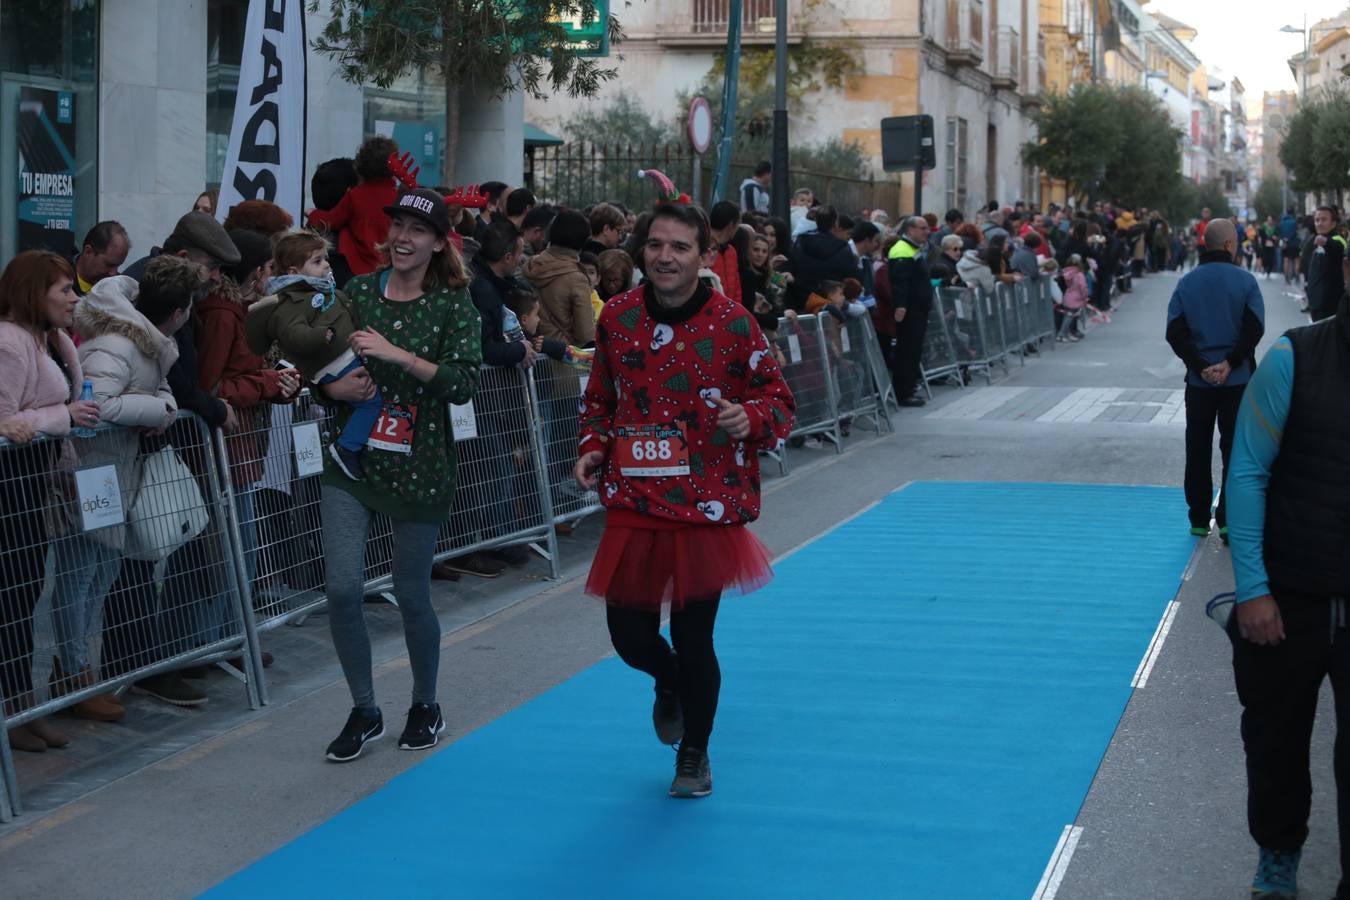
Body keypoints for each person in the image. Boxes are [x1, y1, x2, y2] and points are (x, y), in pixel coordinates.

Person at [574, 201, 794, 799]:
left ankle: (694, 753)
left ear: (702, 257)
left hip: (706, 504)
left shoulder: (735, 323)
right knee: (630, 637)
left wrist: (749, 418)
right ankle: (666, 680)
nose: (665, 257)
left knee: (696, 636)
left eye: (680, 247)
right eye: (656, 245)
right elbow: (599, 398)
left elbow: (780, 402)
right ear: (642, 250)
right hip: (636, 502)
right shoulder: (617, 318)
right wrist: (592, 446)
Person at [317, 187, 482, 762]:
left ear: (439, 243)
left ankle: (425, 704)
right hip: (353, 459)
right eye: (398, 226)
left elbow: (464, 381)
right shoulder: (357, 292)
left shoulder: (453, 303)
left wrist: (399, 356)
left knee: (411, 593)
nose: (403, 238)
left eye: (417, 229)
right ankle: (364, 710)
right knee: (341, 590)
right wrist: (329, 385)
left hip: (422, 464)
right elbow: (314, 352)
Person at [1223, 250, 1350, 900]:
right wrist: (1253, 588)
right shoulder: (1294, 357)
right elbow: (1247, 471)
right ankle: (1279, 854)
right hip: (1288, 596)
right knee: (1276, 744)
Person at [51, 258, 200, 723]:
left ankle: (81, 670)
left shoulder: (144, 341)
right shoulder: (118, 343)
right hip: (92, 471)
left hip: (114, 470)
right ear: (177, 311)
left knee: (103, 570)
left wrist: (161, 406)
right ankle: (72, 672)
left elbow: (158, 399)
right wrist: (157, 409)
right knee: (81, 574)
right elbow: (99, 403)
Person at [0, 252, 93, 753]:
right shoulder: (10, 343)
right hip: (8, 486)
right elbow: (7, 423)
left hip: (33, 484)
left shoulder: (50, 340)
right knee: (14, 597)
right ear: (35, 293)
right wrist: (66, 415)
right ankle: (15, 710)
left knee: (27, 590)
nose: (74, 298)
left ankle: (22, 704)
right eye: (64, 290)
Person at [1163, 218, 1265, 540]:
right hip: (1238, 381)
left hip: (1199, 382)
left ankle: (1197, 518)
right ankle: (1227, 520)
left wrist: (1202, 365)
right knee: (1234, 449)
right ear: (1229, 245)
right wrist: (1230, 362)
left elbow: (1175, 332)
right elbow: (1254, 328)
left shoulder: (1186, 283)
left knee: (1198, 447)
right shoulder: (1246, 282)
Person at [246, 230, 376, 481]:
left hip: (348, 354)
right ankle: (347, 448)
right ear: (294, 272)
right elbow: (293, 334)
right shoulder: (291, 301)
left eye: (324, 258)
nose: (326, 264)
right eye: (317, 261)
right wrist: (322, 335)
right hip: (333, 363)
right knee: (372, 400)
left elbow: (347, 311)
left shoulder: (326, 290)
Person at [306, 135, 400, 277]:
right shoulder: (399, 197)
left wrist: (313, 214)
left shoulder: (355, 196)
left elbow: (332, 221)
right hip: (392, 269)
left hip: (359, 269)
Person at [524, 208, 596, 347]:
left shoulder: (532, 264)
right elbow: (585, 333)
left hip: (533, 349)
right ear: (582, 239)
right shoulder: (576, 277)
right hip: (564, 355)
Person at [887, 216, 933, 408]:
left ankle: (909, 388)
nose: (927, 231)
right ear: (910, 229)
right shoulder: (901, 250)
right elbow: (900, 282)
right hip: (910, 312)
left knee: (913, 351)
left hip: (917, 310)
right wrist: (901, 306)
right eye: (922, 228)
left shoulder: (913, 249)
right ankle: (904, 392)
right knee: (907, 351)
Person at [784, 206, 859, 311]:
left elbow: (792, 272)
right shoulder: (844, 250)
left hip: (802, 307)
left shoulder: (799, 244)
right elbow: (853, 279)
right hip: (833, 310)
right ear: (836, 224)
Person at [1301, 206, 1347, 322]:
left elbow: (1339, 249)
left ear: (1333, 223)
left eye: (1324, 219)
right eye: (1317, 220)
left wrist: (1326, 242)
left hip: (1331, 304)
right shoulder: (1315, 240)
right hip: (1316, 303)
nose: (1319, 223)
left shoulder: (1337, 239)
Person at [73, 221, 131, 297]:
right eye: (109, 264)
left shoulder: (121, 290)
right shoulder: (58, 281)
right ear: (88, 252)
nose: (113, 273)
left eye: (118, 265)